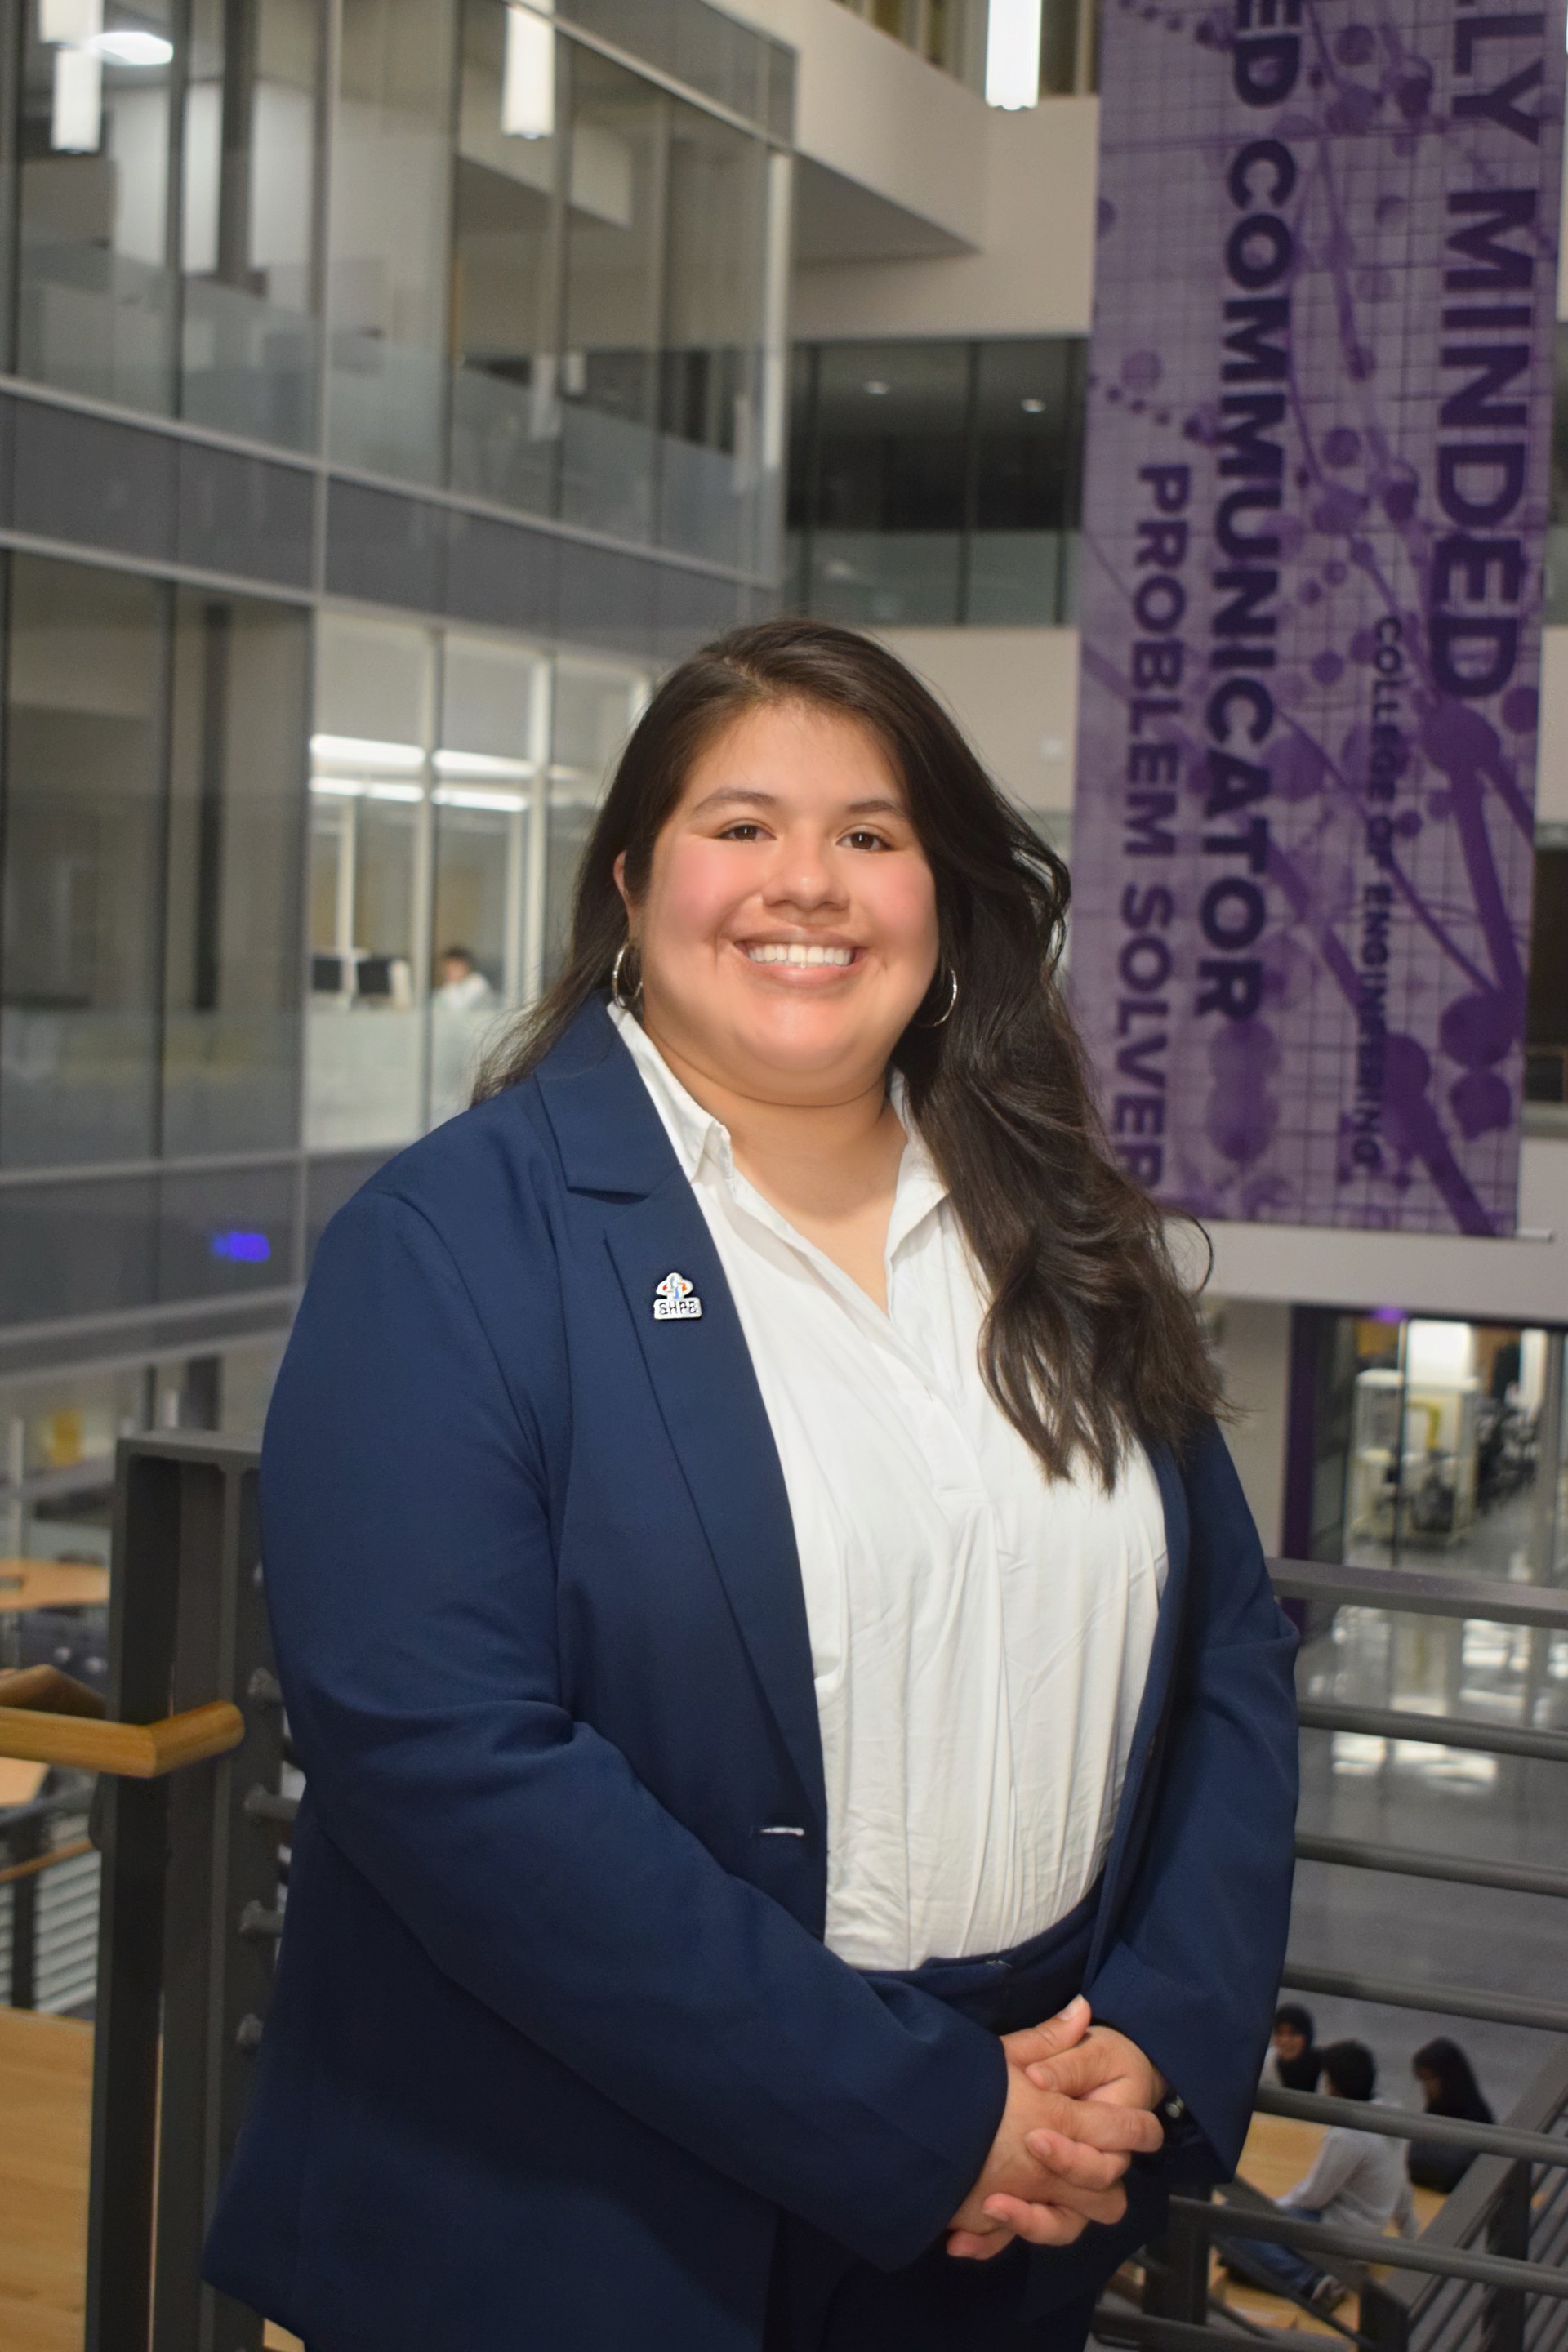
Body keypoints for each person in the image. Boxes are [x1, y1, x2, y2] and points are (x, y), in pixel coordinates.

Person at [204, 620, 1300, 2352]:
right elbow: (446, 1767)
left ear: (942, 897)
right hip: (574, 2215)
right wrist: (924, 2115)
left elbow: (1227, 1650)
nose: (812, 883)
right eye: (745, 826)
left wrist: (1151, 2041)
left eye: (872, 834)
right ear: (635, 883)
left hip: (1013, 2207)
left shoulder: (1063, 1232)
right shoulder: (451, 1244)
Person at [1222, 2040, 1414, 2314]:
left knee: (1229, 2223)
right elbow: (1402, 2182)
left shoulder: (1347, 2137)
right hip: (1368, 2229)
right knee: (1245, 2222)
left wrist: (1270, 2209)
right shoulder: (1392, 2112)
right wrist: (1411, 2235)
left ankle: (1310, 2281)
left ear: (1334, 2085)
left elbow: (1313, 2197)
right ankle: (1307, 2265)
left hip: (1341, 2230)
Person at [1408, 2039, 1493, 2193]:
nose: (1427, 2088)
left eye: (1431, 2079)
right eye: (1424, 2081)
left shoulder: (1476, 2121)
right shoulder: (1434, 2111)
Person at [1263, 2004, 1321, 2093]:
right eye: (1280, 2033)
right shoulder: (1265, 2065)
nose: (1285, 2040)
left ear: (1307, 2036)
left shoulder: (1324, 2069)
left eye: (1294, 2033)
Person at [434, 943, 497, 1011]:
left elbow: (459, 1010)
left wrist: (451, 986)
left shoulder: (477, 983)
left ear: (467, 967)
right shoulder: (449, 986)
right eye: (447, 968)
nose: (449, 972)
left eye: (455, 967)